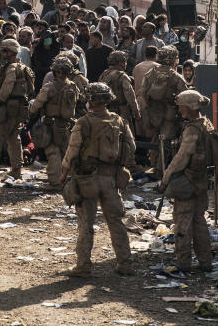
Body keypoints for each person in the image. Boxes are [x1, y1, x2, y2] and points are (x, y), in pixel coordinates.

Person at [61, 81, 136, 277]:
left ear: (89, 100)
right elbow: (131, 148)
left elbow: (72, 151)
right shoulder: (119, 121)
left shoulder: (83, 123)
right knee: (116, 222)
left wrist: (64, 173)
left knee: (86, 223)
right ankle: (125, 263)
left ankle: (83, 266)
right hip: (110, 179)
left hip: (87, 180)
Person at [159, 89, 216, 272]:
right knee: (199, 222)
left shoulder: (192, 130)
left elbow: (181, 159)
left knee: (183, 223)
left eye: (182, 107)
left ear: (190, 107)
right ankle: (205, 262)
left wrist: (165, 178)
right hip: (201, 181)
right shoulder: (206, 124)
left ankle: (183, 263)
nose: (180, 110)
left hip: (188, 182)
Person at [29, 57, 79, 189]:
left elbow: (36, 105)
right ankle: (72, 179)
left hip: (51, 125)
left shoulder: (49, 87)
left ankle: (55, 181)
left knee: (53, 152)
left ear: (56, 71)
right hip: (67, 125)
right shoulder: (73, 87)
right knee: (67, 152)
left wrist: (31, 112)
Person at [0, 39, 34, 180]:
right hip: (19, 106)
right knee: (14, 138)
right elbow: (31, 89)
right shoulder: (23, 68)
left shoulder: (11, 68)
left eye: (4, 50)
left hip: (8, 106)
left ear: (11, 52)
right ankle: (16, 170)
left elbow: (8, 86)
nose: (2, 53)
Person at [141, 46, 187, 170]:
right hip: (169, 114)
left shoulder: (150, 74)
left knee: (155, 140)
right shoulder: (176, 76)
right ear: (174, 60)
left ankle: (153, 166)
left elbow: (142, 93)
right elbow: (184, 96)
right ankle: (162, 169)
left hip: (153, 113)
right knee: (166, 142)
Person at [100, 51, 140, 129]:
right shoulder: (122, 76)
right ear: (121, 63)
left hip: (107, 111)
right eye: (125, 62)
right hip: (121, 112)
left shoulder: (104, 74)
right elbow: (130, 96)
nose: (126, 64)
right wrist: (136, 112)